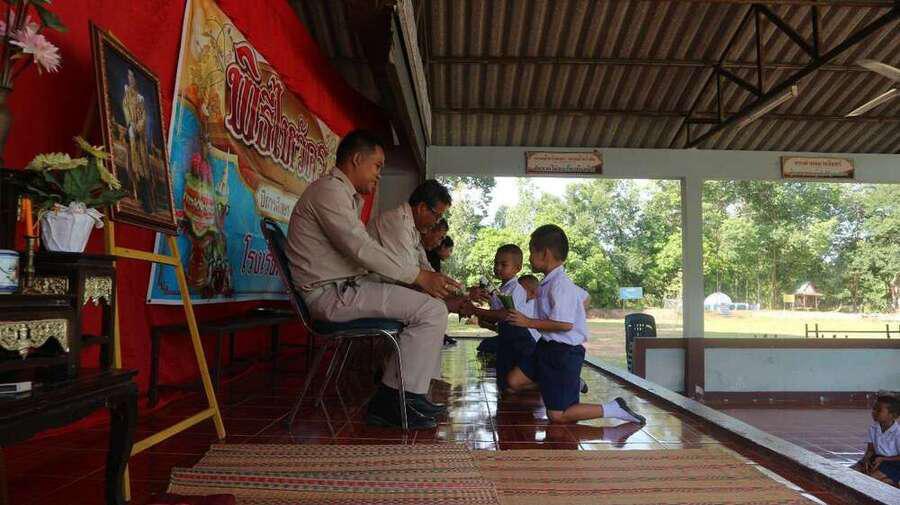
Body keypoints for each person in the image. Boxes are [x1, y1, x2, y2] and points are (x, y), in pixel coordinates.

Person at [286, 130, 461, 430]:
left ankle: (407, 397)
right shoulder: (329, 191)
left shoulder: (341, 195)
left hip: (344, 289)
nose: (379, 175)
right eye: (377, 165)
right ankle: (394, 401)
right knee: (431, 310)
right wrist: (420, 276)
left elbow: (362, 251)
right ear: (356, 159)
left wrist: (427, 279)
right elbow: (361, 248)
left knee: (431, 308)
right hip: (332, 295)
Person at [505, 224, 644, 425]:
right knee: (514, 381)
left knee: (558, 415)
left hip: (564, 353)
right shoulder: (550, 282)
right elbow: (585, 298)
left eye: (531, 252)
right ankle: (570, 383)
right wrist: (573, 309)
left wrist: (528, 322)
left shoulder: (561, 285)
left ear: (545, 253)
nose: (529, 258)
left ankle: (614, 408)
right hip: (546, 347)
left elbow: (565, 324)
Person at [852, 395, 900, 487]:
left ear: (893, 415)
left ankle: (893, 480)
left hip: (894, 463)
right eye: (874, 409)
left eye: (879, 410)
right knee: (852, 472)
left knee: (871, 480)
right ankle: (889, 479)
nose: (874, 412)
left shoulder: (898, 433)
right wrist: (866, 459)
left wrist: (884, 459)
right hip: (877, 458)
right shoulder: (873, 427)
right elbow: (870, 450)